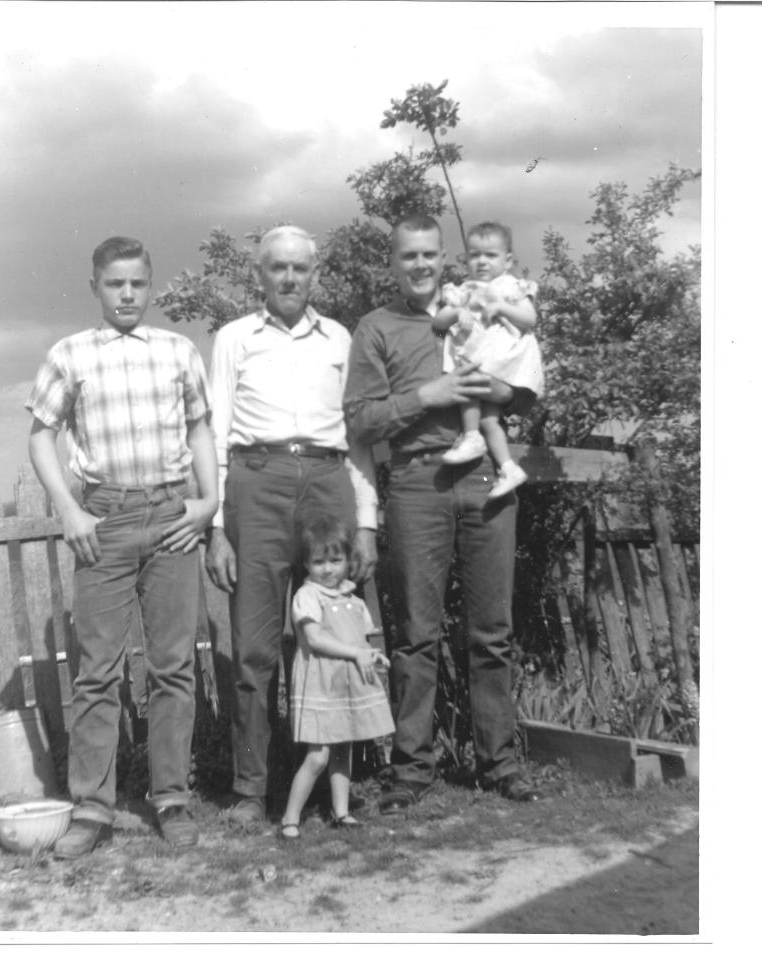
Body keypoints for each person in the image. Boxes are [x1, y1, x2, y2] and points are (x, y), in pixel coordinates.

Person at [26, 235, 218, 858]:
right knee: (98, 672)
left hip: (170, 516)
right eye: (115, 284)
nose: (127, 294)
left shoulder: (177, 350)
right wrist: (70, 511)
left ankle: (171, 799)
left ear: (151, 285)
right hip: (103, 519)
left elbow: (200, 429)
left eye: (137, 282)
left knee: (172, 666)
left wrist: (209, 500)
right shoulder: (70, 353)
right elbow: (40, 438)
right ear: (96, 288)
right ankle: (92, 808)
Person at [344, 213, 539, 811]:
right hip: (415, 478)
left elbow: (522, 383)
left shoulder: (477, 304)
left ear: (442, 257)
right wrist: (428, 396)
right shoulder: (376, 328)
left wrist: (508, 396)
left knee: (491, 629)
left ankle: (500, 763)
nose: (421, 266)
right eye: (409, 257)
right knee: (417, 633)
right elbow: (360, 419)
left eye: (430, 255)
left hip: (484, 476)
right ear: (394, 263)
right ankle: (412, 768)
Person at [206, 225, 378, 826]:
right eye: (277, 268)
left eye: (299, 269)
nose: (288, 278)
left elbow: (357, 436)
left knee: (337, 632)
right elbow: (216, 432)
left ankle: (347, 773)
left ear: (315, 275)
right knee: (254, 644)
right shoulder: (234, 338)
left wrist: (367, 523)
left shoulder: (340, 337)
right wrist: (217, 527)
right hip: (257, 478)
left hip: (328, 479)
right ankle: (252, 787)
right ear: (260, 276)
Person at [279, 515, 394, 840]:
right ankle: (290, 817)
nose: (327, 569)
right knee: (318, 755)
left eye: (335, 560)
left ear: (348, 561)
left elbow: (360, 642)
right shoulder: (308, 597)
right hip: (322, 683)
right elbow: (315, 639)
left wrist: (372, 656)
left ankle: (341, 812)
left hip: (347, 685)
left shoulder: (354, 602)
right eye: (318, 562)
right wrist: (356, 653)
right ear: (306, 563)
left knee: (344, 750)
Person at [434, 221, 544, 497]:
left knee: (469, 381)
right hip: (483, 357)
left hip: (502, 361)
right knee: (489, 421)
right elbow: (438, 322)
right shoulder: (465, 289)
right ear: (466, 259)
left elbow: (530, 319)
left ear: (507, 261)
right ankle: (508, 467)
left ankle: (471, 437)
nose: (482, 261)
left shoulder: (510, 286)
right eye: (475, 255)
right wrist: (457, 312)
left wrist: (502, 307)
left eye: (490, 255)